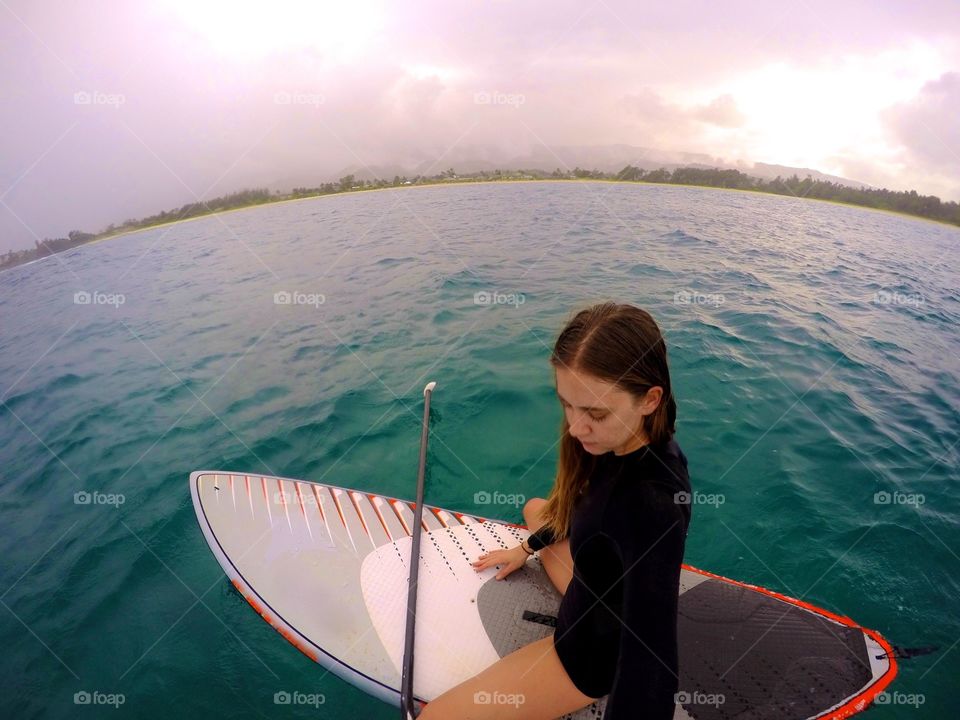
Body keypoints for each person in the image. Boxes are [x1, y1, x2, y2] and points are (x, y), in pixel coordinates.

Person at [417, 301, 692, 720]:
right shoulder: (620, 441)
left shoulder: (652, 507)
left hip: (587, 653)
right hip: (592, 585)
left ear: (650, 399)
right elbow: (576, 506)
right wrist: (524, 549)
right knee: (536, 510)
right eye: (567, 404)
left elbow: (650, 655)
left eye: (595, 413)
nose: (576, 427)